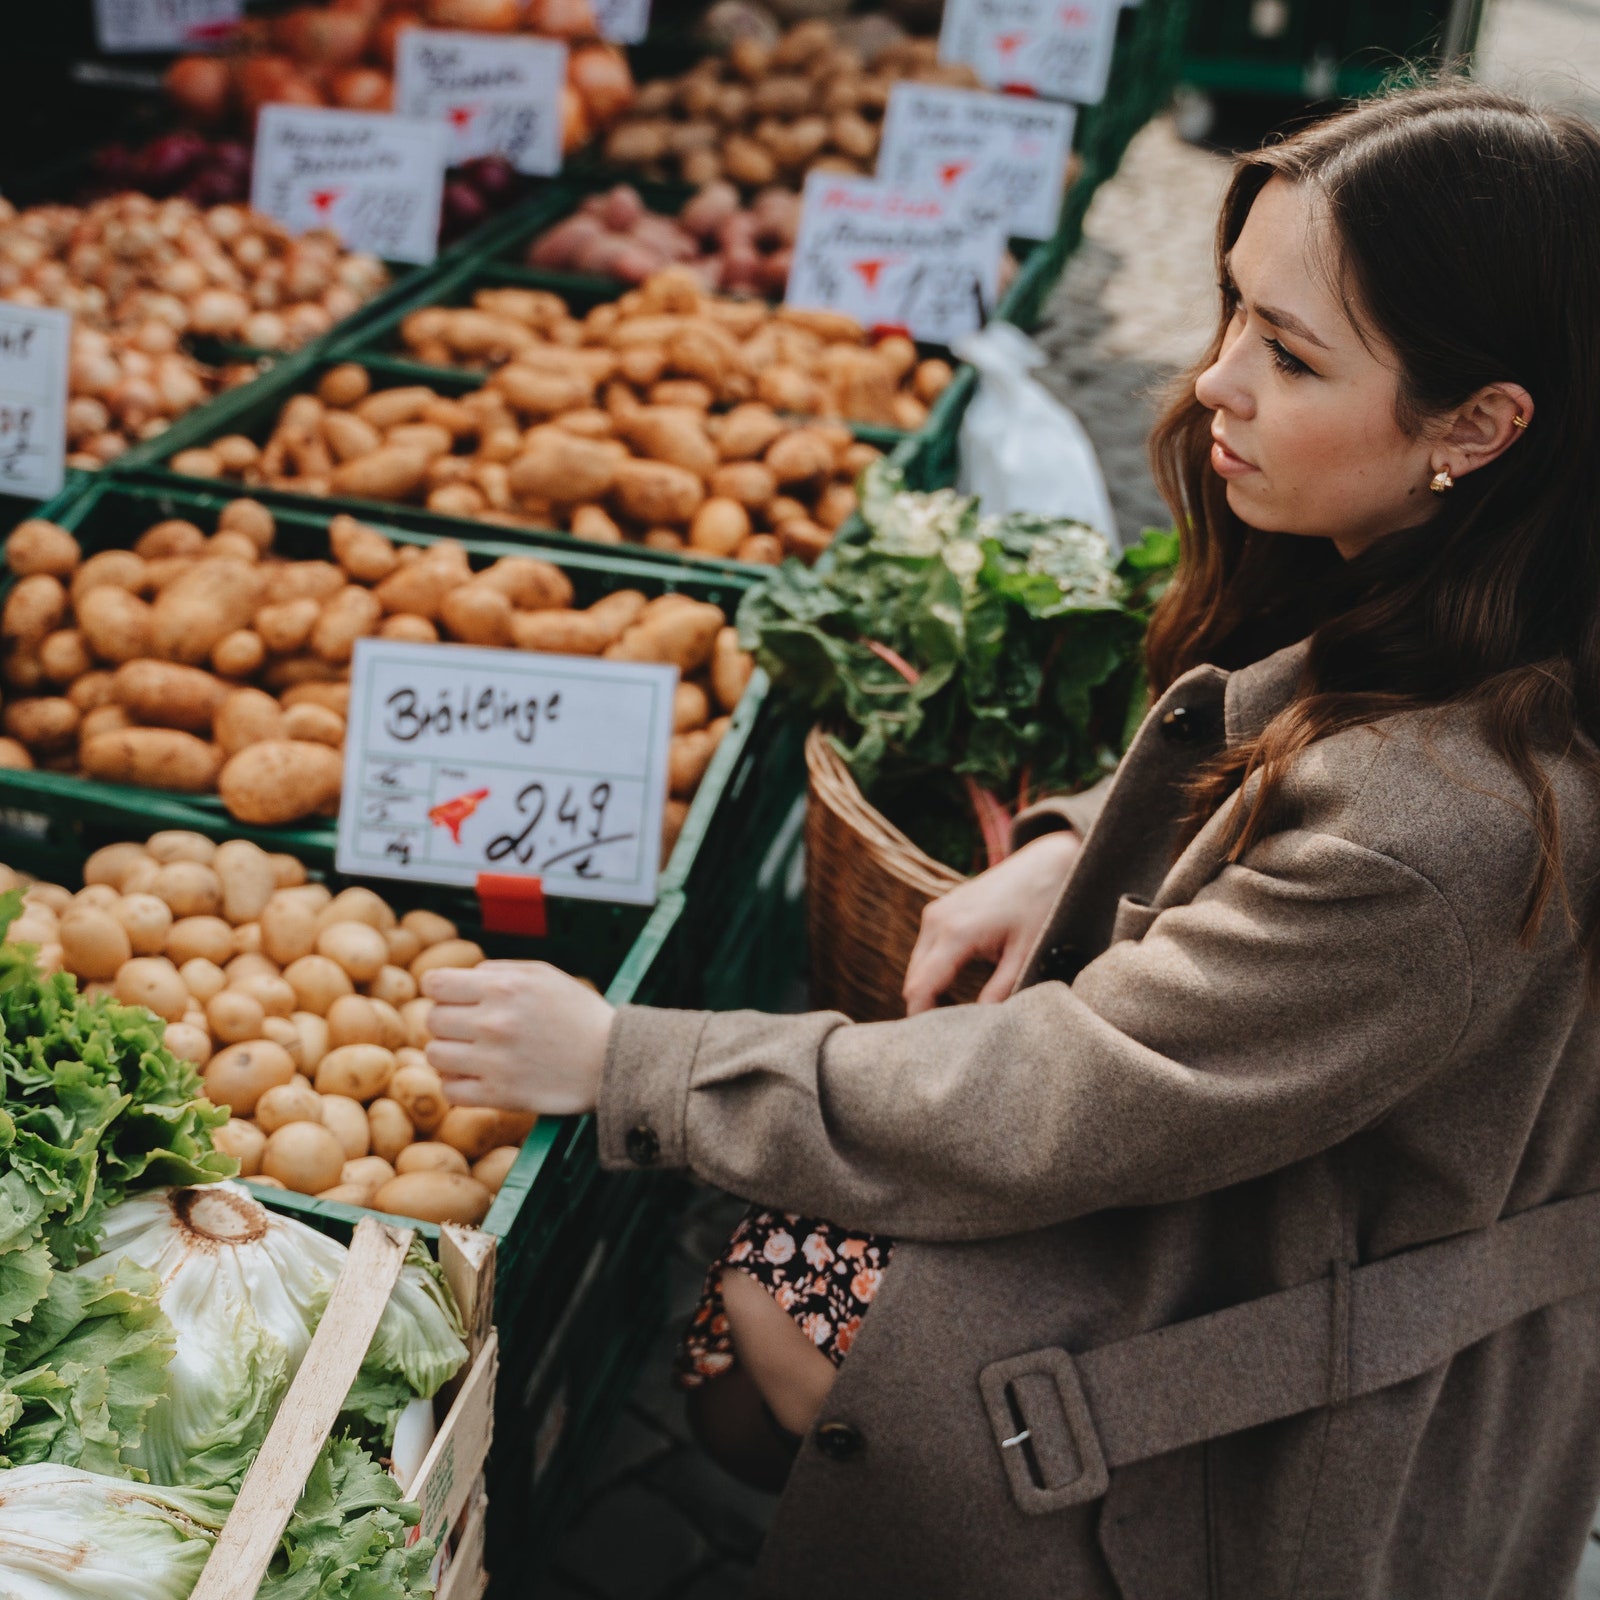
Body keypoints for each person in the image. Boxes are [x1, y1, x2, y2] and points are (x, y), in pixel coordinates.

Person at [420, 81, 1600, 1599]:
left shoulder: (1445, 824)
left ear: (1481, 424)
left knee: (771, 1310)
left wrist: (626, 1066)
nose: (1216, 382)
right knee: (788, 1270)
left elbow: (1071, 1091)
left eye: (1289, 354)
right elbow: (1277, 779)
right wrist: (1072, 844)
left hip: (1324, 1399)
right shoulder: (1458, 579)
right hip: (1314, 1215)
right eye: (1234, 310)